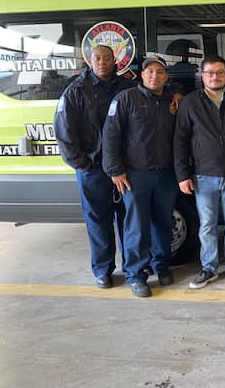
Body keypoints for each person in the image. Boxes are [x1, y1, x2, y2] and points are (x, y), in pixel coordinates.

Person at [54, 44, 134, 289]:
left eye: (107, 58)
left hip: (124, 169)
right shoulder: (75, 91)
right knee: (98, 221)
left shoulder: (127, 88)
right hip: (94, 169)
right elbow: (64, 133)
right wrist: (84, 165)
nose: (102, 62)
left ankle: (132, 269)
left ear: (115, 61)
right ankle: (103, 270)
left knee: (128, 221)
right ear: (90, 60)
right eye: (97, 58)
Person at [102, 56, 179, 298]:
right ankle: (136, 274)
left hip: (166, 174)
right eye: (150, 71)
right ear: (142, 75)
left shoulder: (172, 100)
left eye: (160, 72)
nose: (154, 76)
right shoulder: (125, 99)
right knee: (136, 226)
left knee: (163, 223)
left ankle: (161, 265)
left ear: (166, 77)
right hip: (135, 175)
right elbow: (110, 136)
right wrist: (115, 170)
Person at [174, 55, 225, 289]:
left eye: (219, 72)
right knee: (206, 224)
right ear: (202, 76)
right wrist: (182, 175)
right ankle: (208, 267)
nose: (214, 77)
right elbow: (180, 140)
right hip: (203, 175)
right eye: (209, 73)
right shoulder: (189, 102)